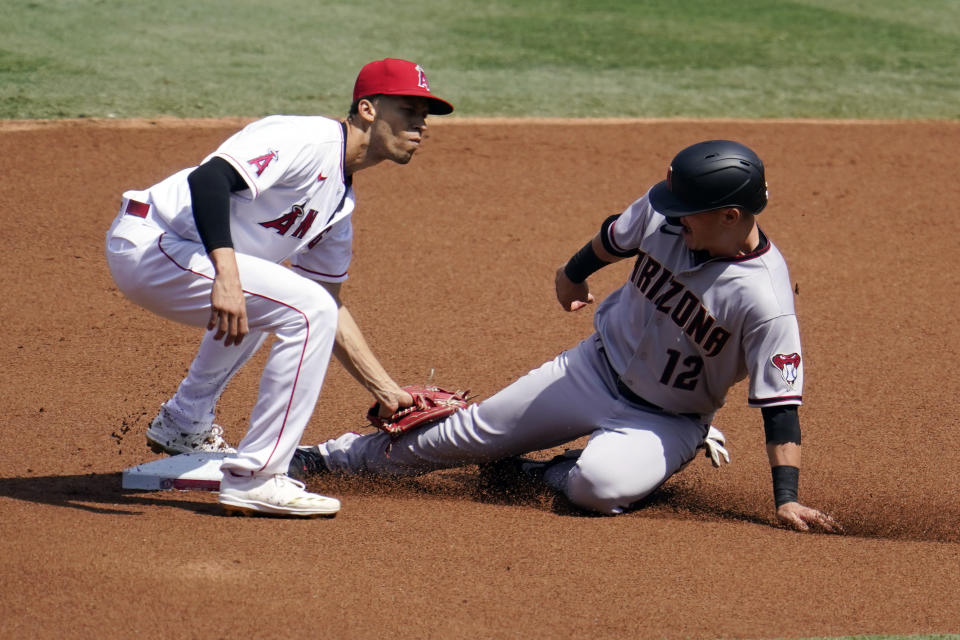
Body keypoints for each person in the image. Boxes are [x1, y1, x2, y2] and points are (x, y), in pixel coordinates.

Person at [290, 140, 841, 532]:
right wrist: (572, 274)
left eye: (689, 213)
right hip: (591, 370)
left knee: (596, 490)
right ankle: (323, 458)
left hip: (667, 419)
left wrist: (785, 500)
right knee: (458, 439)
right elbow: (614, 238)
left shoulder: (765, 301)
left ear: (730, 215)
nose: (674, 218)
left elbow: (781, 405)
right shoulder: (666, 213)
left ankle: (545, 471)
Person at [105, 58, 454, 517]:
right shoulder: (306, 139)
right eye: (409, 110)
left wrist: (386, 392)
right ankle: (258, 477)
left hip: (183, 253)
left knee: (292, 300)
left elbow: (328, 302)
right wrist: (227, 275)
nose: (420, 125)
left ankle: (184, 420)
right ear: (368, 109)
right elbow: (207, 179)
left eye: (425, 116)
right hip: (153, 242)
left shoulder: (338, 206)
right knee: (298, 305)